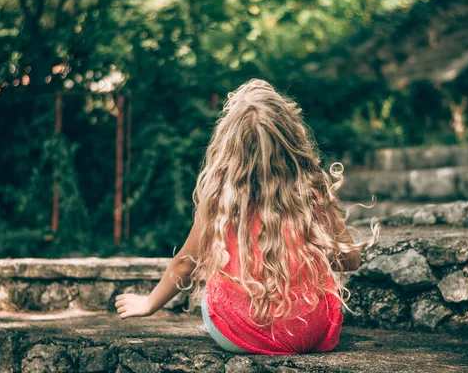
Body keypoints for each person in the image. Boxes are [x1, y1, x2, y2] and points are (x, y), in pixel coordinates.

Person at [114, 79, 378, 355]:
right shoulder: (312, 189)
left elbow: (185, 263)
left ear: (228, 145)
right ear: (291, 138)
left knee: (218, 277)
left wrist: (148, 303)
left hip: (238, 334)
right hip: (308, 332)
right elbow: (350, 260)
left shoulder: (220, 197)